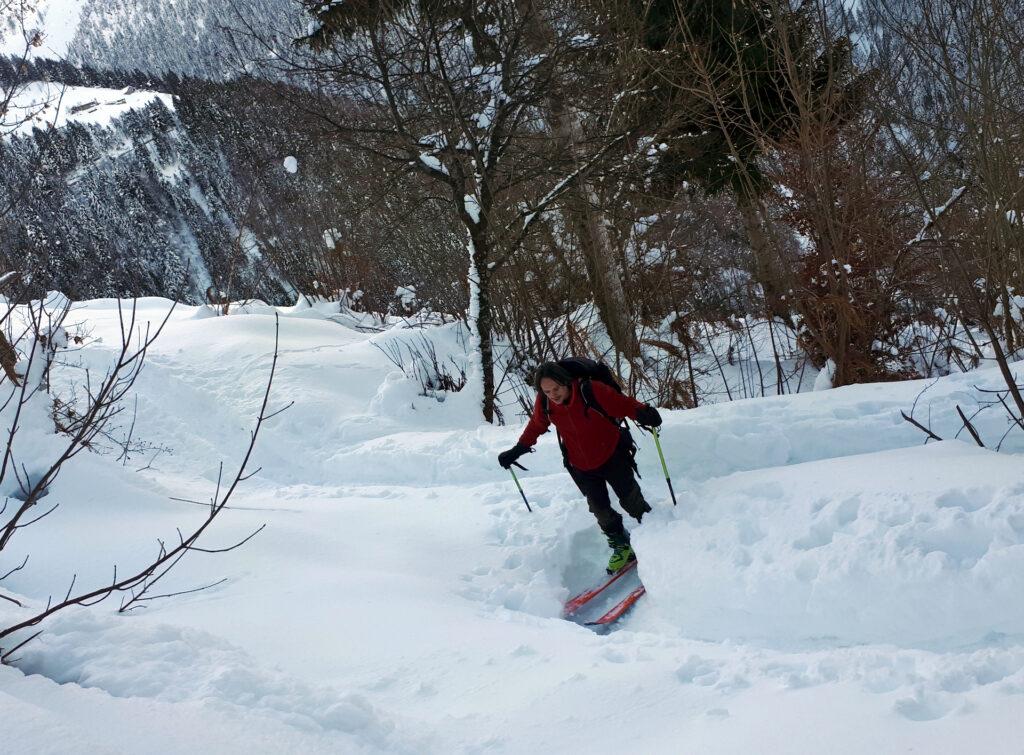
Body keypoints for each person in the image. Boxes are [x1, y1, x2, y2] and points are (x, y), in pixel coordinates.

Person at [498, 361, 662, 574]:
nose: (553, 395)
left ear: (567, 382)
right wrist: (517, 449)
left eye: (556, 389)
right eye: (547, 391)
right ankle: (622, 547)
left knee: (632, 501)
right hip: (580, 464)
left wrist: (644, 413)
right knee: (600, 509)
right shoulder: (546, 403)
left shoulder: (590, 390)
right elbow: (537, 425)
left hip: (612, 454)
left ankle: (655, 540)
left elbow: (624, 404)